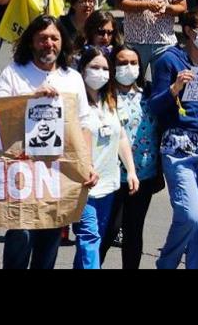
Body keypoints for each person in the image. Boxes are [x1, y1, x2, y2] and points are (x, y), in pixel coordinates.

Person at [0, 15, 98, 269]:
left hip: (57, 174)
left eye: (54, 38)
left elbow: (84, 124)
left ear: (63, 43)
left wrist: (87, 164)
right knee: (22, 233)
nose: (48, 43)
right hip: (21, 172)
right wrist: (31, 98)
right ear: (31, 42)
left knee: (50, 239)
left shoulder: (72, 77)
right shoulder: (14, 73)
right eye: (42, 39)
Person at [150, 7, 198, 269]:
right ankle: (167, 263)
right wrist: (174, 89)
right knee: (190, 215)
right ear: (189, 31)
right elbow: (155, 107)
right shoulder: (169, 61)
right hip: (179, 148)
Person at [72, 46, 139, 269]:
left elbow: (120, 136)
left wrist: (130, 170)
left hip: (108, 184)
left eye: (104, 68)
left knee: (95, 238)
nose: (100, 73)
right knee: (89, 237)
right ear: (82, 70)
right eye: (94, 67)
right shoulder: (74, 102)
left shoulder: (109, 100)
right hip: (83, 185)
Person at [99, 44, 164, 269]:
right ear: (112, 66)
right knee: (109, 230)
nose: (128, 67)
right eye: (122, 63)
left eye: (133, 63)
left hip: (144, 174)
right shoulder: (103, 95)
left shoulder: (149, 94)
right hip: (111, 175)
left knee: (134, 231)